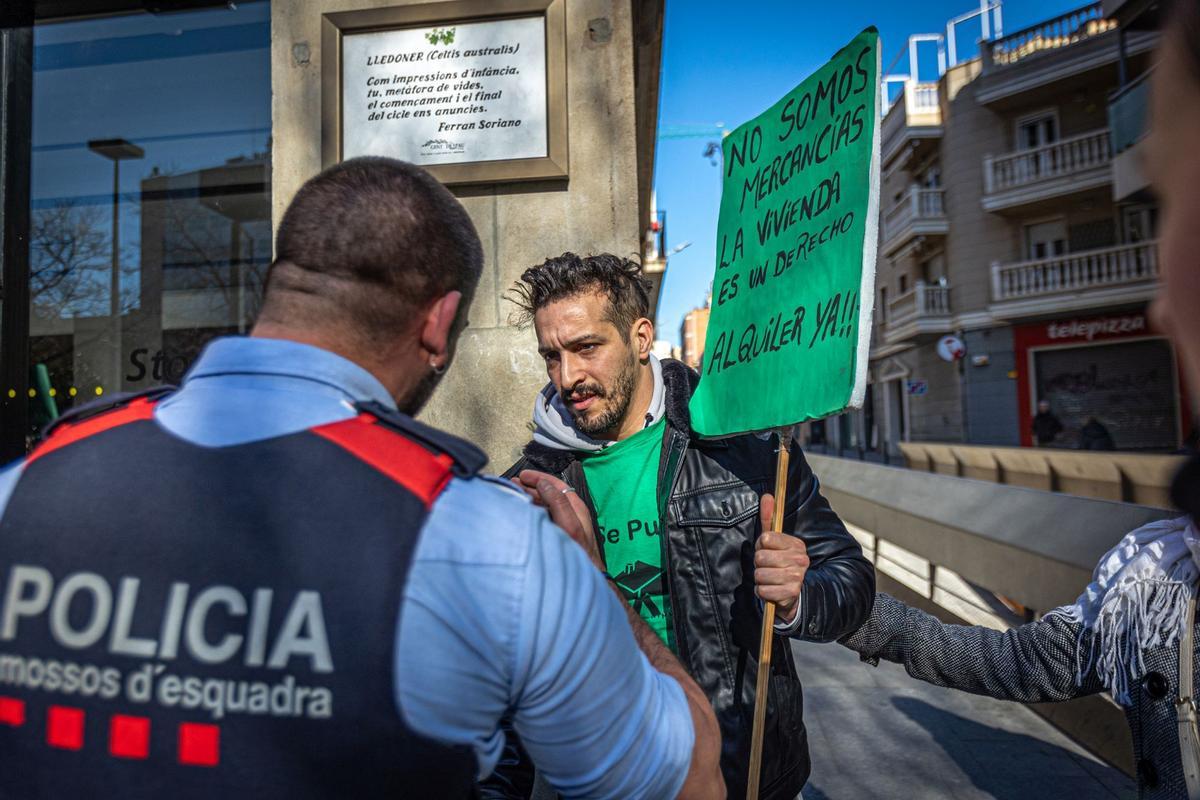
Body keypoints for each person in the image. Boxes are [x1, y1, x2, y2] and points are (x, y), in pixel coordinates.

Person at [0, 159, 723, 799]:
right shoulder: (490, 546)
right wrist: (591, 583)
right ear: (438, 325)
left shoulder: (22, 489)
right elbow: (688, 777)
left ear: (276, 285)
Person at [840, 4, 1200, 796]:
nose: (1163, 307)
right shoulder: (1157, 578)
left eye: (1177, 207)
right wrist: (862, 614)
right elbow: (1037, 660)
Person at [488, 253, 875, 800]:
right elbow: (502, 687)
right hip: (606, 777)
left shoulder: (744, 448)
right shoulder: (528, 491)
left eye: (586, 348)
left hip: (749, 772)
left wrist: (796, 600)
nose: (568, 376)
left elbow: (852, 579)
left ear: (641, 337)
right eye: (551, 356)